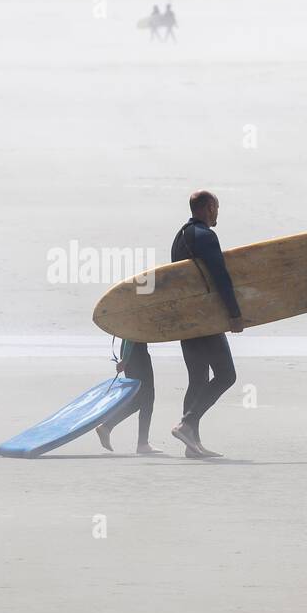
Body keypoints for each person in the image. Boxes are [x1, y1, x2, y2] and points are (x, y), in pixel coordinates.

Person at [170, 190, 242, 458]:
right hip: (204, 320)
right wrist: (234, 314)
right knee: (226, 375)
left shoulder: (180, 238)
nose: (218, 213)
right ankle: (187, 425)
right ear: (209, 207)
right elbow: (221, 277)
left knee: (197, 380)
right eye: (217, 207)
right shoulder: (205, 236)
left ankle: (192, 444)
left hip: (185, 321)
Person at [97, 339, 161, 454]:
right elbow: (131, 334)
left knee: (137, 401)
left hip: (134, 353)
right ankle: (143, 444)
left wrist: (125, 358)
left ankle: (106, 427)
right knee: (148, 399)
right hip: (136, 354)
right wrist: (125, 360)